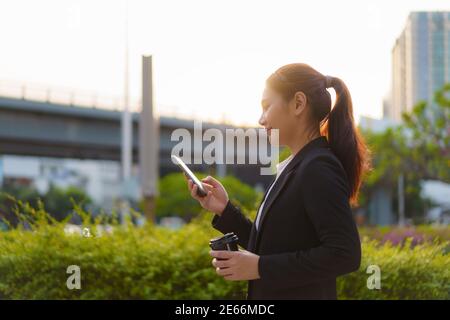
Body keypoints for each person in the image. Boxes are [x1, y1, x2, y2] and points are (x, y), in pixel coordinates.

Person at [187, 63, 370, 299]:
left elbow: (345, 254)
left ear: (298, 104)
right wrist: (223, 209)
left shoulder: (317, 167)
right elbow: (272, 246)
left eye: (266, 106)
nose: (261, 119)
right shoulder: (298, 165)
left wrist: (260, 267)